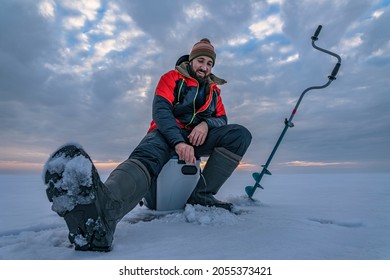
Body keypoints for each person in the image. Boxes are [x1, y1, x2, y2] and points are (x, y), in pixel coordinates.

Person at [43, 38, 252, 251]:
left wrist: (206, 125)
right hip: (165, 132)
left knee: (239, 135)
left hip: (198, 137)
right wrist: (178, 142)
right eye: (201, 61)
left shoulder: (214, 91)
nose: (205, 67)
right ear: (191, 60)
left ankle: (202, 195)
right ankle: (107, 208)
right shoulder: (171, 78)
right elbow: (161, 112)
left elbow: (222, 119)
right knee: (148, 153)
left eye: (209, 63)